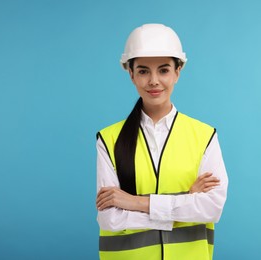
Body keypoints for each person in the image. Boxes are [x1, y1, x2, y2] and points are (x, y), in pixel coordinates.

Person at [95, 23, 228, 260]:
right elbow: (110, 218)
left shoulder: (204, 136)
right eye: (144, 71)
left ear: (178, 72)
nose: (154, 81)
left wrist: (133, 202)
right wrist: (186, 201)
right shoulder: (109, 139)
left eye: (164, 70)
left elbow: (211, 208)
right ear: (131, 74)